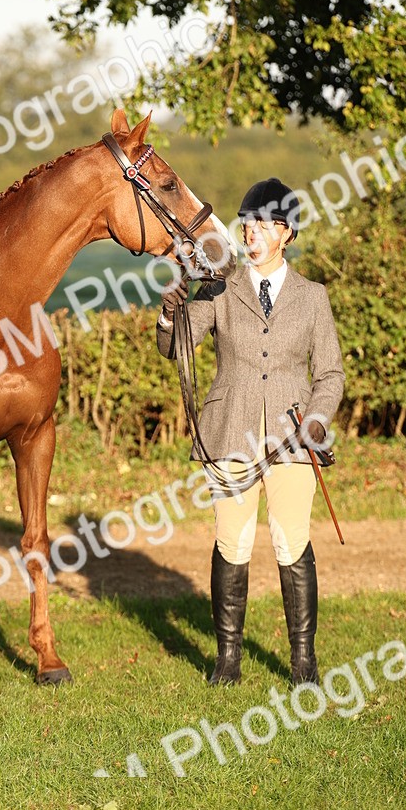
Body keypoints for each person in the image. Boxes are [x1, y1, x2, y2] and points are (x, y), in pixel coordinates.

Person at [156, 178, 345, 687]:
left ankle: (303, 659)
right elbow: (176, 348)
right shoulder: (220, 287)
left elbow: (330, 375)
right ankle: (228, 660)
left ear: (285, 232)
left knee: (292, 543)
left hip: (292, 436)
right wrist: (171, 308)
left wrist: (317, 420)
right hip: (229, 430)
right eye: (247, 222)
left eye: (262, 223)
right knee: (231, 543)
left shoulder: (312, 298)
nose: (251, 231)